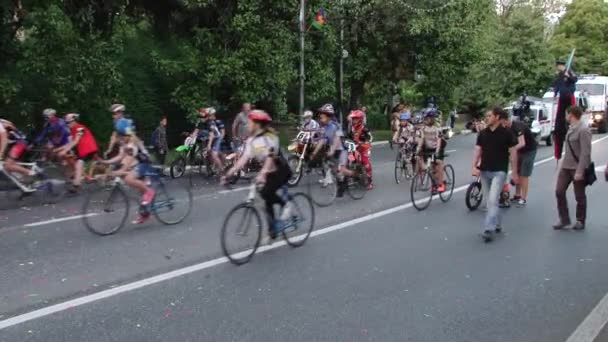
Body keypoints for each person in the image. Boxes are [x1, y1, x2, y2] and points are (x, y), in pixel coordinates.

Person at [222, 110, 292, 243]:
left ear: (257, 124)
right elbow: (243, 159)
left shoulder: (271, 137)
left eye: (250, 122)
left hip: (281, 170)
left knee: (266, 192)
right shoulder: (252, 140)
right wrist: (228, 174)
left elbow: (270, 157)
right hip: (269, 172)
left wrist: (262, 173)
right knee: (267, 200)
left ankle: (286, 205)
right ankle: (273, 233)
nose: (247, 125)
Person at [471, 107, 519, 242]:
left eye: (489, 115)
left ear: (497, 117)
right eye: (486, 116)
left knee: (492, 200)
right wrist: (473, 166)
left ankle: (488, 229)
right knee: (489, 201)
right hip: (485, 170)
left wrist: (514, 172)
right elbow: (477, 150)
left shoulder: (507, 134)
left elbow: (513, 154)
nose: (486, 118)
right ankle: (497, 223)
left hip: (499, 171)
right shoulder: (483, 133)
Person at [101, 118, 155, 224]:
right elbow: (120, 156)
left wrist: (118, 171)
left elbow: (127, 162)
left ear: (126, 134)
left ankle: (150, 192)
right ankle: (145, 213)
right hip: (137, 162)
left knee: (129, 179)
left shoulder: (132, 143)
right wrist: (106, 162)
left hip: (144, 162)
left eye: (121, 136)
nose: (119, 138)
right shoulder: (125, 141)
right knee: (140, 191)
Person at [554, 106, 592, 231]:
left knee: (579, 196)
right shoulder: (570, 129)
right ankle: (564, 219)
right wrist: (561, 164)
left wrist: (580, 171)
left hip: (577, 168)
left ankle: (580, 220)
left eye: (566, 114)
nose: (565, 117)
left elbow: (585, 153)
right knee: (559, 191)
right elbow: (568, 150)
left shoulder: (583, 130)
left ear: (571, 115)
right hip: (566, 166)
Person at [311, 104, 352, 197]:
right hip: (333, 151)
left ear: (328, 116)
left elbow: (337, 139)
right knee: (334, 170)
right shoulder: (324, 127)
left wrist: (332, 150)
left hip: (341, 150)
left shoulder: (336, 125)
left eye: (322, 114)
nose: (320, 116)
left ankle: (354, 175)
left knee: (341, 169)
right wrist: (314, 153)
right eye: (320, 114)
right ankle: (342, 182)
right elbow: (322, 140)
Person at [56, 113, 99, 192]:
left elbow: (76, 141)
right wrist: (59, 149)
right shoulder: (72, 130)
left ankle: (76, 185)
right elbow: (71, 142)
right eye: (66, 123)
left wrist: (64, 151)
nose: (67, 124)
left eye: (68, 122)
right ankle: (84, 179)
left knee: (78, 165)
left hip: (89, 149)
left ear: (74, 121)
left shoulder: (80, 128)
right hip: (83, 150)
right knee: (77, 165)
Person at [502, 114, 537, 207]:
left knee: (523, 174)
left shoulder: (518, 126)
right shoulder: (506, 129)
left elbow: (522, 143)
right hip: (518, 151)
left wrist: (510, 150)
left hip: (529, 150)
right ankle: (517, 195)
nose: (502, 125)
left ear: (506, 120)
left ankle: (523, 198)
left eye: (503, 122)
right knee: (516, 172)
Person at [0, 118, 37, 189]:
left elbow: (4, 139)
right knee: (6, 164)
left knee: (8, 165)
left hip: (19, 142)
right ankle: (22, 180)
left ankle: (31, 173)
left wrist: (0, 154)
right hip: (13, 142)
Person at [552, 60, 578, 160]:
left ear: (561, 65)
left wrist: (569, 76)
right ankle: (558, 153)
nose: (557, 67)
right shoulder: (559, 75)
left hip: (569, 97)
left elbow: (575, 80)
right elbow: (557, 85)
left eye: (558, 66)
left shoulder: (569, 71)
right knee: (559, 122)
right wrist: (555, 94)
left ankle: (572, 126)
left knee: (572, 115)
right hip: (562, 97)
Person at [416, 108, 445, 192]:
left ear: (432, 118)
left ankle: (441, 183)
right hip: (428, 150)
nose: (426, 120)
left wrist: (437, 151)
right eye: (425, 118)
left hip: (437, 149)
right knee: (431, 168)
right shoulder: (423, 129)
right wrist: (418, 149)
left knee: (438, 163)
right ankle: (434, 184)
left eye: (427, 118)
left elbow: (439, 140)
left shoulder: (437, 129)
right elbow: (421, 139)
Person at [345, 110, 373, 190]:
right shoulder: (351, 127)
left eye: (356, 119)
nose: (354, 120)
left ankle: (369, 181)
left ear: (360, 119)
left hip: (364, 147)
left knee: (365, 162)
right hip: (354, 147)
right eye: (353, 119)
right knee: (349, 159)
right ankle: (352, 176)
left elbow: (370, 137)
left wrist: (364, 142)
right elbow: (348, 137)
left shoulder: (365, 128)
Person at [190, 107, 223, 173]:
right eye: (199, 117)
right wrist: (191, 137)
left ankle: (222, 171)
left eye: (202, 117)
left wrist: (209, 145)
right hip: (209, 138)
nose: (200, 119)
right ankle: (210, 170)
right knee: (206, 155)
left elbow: (212, 135)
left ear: (206, 117)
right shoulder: (200, 122)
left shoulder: (210, 123)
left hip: (216, 138)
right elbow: (196, 131)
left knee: (213, 154)